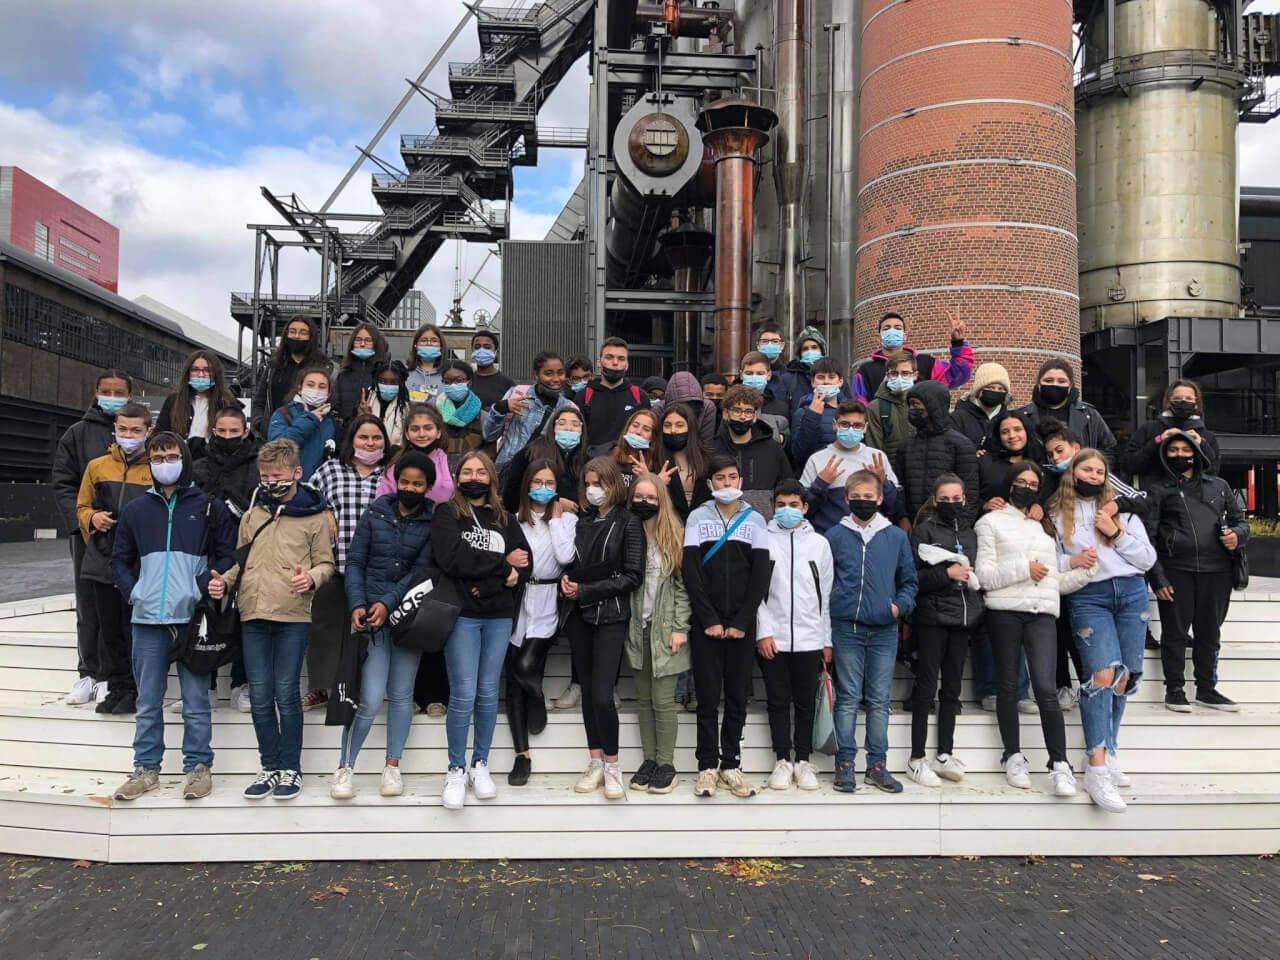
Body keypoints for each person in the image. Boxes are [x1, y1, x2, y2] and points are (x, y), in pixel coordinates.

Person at [109, 433, 236, 802]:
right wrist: (134, 591)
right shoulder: (136, 510)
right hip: (147, 619)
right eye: (158, 457)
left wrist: (201, 585)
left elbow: (227, 555)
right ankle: (146, 768)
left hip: (192, 619)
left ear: (185, 458)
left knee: (196, 702)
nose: (165, 463)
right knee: (148, 701)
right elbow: (118, 560)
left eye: (171, 455)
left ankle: (198, 767)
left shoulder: (209, 506)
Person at [210, 438, 336, 801]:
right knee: (261, 695)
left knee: (286, 693)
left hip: (293, 616)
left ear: (297, 473)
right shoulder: (252, 516)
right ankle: (269, 766)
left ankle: (291, 768)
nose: (270, 482)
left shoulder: (315, 517)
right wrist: (224, 582)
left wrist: (311, 578)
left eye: (277, 476)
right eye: (265, 476)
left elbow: (326, 563)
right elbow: (240, 561)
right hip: (252, 613)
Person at [1048, 449, 1157, 813]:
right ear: (1073, 472)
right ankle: (1096, 768)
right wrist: (1072, 560)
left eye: (1099, 471)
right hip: (1089, 595)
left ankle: (1108, 751)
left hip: (1131, 592)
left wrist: (1115, 532)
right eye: (1087, 470)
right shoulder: (1055, 512)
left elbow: (1147, 559)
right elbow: (1048, 558)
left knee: (1125, 678)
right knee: (1102, 675)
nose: (1093, 476)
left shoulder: (1122, 510)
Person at [975, 463, 1092, 798]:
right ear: (1009, 484)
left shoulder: (1044, 527)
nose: (1026, 487)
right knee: (1008, 685)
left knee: (1044, 687)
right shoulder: (990, 522)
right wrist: (1024, 568)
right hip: (1005, 612)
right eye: (1020, 481)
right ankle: (1013, 756)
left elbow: (1053, 581)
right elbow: (984, 576)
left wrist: (1085, 571)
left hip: (1042, 614)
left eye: (1032, 483)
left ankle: (1060, 764)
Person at [329, 451, 435, 800]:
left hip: (408, 618)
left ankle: (392, 766)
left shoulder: (433, 520)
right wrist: (357, 604)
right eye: (405, 481)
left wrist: (387, 603)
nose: (410, 488)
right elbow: (355, 561)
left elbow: (420, 571)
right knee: (370, 699)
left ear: (428, 487)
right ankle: (345, 767)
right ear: (395, 481)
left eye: (418, 484)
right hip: (369, 619)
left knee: (402, 695)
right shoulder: (375, 512)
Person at [432, 451, 531, 810]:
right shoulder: (447, 513)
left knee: (488, 693)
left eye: (481, 472)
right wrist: (502, 566)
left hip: (499, 616)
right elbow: (452, 558)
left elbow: (526, 563)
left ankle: (480, 764)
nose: (474, 477)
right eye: (467, 472)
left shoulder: (504, 518)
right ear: (457, 478)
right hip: (463, 615)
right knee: (463, 693)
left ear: (491, 478)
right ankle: (455, 769)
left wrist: (489, 579)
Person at [682, 455, 771, 799]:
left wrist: (742, 621)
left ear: (740, 481)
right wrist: (709, 620)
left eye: (732, 477)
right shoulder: (697, 517)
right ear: (710, 483)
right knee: (706, 699)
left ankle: (731, 764)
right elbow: (691, 571)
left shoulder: (756, 520)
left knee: (736, 698)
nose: (727, 483)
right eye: (720, 478)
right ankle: (707, 766)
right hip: (707, 626)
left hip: (740, 627)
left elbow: (760, 574)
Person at [1040, 417, 1148, 697]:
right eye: (1050, 454)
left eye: (1060, 451)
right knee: (1090, 660)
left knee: (1120, 675)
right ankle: (1065, 686)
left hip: (1125, 586)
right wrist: (1072, 562)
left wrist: (1115, 509)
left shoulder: (1108, 488)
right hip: (1079, 588)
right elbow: (1050, 553)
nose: (1056, 458)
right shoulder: (1050, 494)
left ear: (1076, 448)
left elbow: (1142, 500)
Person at [824, 470, 917, 793]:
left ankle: (877, 765)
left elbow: (909, 582)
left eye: (868, 496)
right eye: (856, 497)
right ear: (846, 498)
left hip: (884, 630)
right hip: (846, 628)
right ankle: (845, 764)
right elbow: (824, 583)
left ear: (879, 498)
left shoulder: (895, 537)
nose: (862, 501)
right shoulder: (834, 536)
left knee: (878, 700)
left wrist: (898, 607)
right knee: (848, 697)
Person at [1143, 431, 1246, 713]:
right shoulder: (1158, 490)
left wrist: (1237, 535)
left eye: (1184, 449)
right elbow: (1148, 538)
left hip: (1219, 571)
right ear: (1165, 455)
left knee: (1210, 632)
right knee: (1175, 633)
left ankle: (1207, 689)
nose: (1179, 454)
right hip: (1176, 570)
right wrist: (1158, 578)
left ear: (1197, 453)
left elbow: (1240, 522)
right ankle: (1174, 689)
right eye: (1173, 450)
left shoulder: (1220, 486)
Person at [562, 457, 645, 800]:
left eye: (599, 483)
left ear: (613, 484)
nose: (593, 489)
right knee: (586, 692)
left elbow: (633, 575)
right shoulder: (582, 522)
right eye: (588, 483)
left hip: (611, 616)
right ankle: (595, 760)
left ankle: (613, 765)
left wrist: (586, 590)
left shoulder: (629, 522)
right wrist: (569, 582)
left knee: (601, 693)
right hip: (579, 616)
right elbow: (571, 561)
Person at [55, 369, 132, 706]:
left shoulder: (138, 433)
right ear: (96, 392)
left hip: (127, 537)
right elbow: (63, 483)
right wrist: (84, 522)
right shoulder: (76, 434)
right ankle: (88, 672)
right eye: (107, 391)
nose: (112, 397)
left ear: (130, 395)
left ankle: (111, 675)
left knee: (118, 607)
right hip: (89, 536)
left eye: (119, 392)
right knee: (89, 605)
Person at [307, 414, 393, 713]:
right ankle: (321, 688)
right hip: (334, 560)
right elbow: (307, 498)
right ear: (351, 440)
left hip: (376, 566)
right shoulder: (331, 469)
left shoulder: (391, 474)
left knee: (367, 632)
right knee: (326, 627)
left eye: (376, 438)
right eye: (363, 437)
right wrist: (324, 511)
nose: (370, 443)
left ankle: (361, 690)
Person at [905, 474, 984, 788]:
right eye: (944, 499)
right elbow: (913, 578)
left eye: (956, 498)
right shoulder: (924, 530)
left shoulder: (971, 532)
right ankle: (916, 758)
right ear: (935, 500)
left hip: (963, 619)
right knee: (925, 689)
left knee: (952, 690)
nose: (951, 503)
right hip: (932, 618)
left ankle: (944, 754)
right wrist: (946, 574)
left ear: (964, 499)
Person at [75, 401, 154, 714]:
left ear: (148, 431)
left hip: (139, 564)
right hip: (102, 559)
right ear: (115, 429)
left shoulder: (156, 468)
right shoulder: (97, 466)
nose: (129, 435)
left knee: (134, 629)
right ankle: (116, 686)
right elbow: (82, 507)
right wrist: (92, 518)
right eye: (123, 429)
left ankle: (136, 688)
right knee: (109, 630)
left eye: (136, 430)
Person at [755, 480, 833, 792]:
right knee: (776, 701)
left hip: (809, 638)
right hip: (772, 638)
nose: (787, 510)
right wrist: (763, 632)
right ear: (773, 506)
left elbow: (825, 596)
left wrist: (826, 639)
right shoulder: (762, 540)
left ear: (805, 507)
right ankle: (782, 761)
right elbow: (756, 593)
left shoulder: (820, 544)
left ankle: (803, 761)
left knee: (805, 702)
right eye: (781, 505)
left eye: (794, 505)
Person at [504, 460, 578, 786]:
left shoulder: (568, 520)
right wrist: (507, 560)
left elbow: (565, 557)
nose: (543, 488)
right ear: (527, 485)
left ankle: (536, 693)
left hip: (549, 600)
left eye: (550, 483)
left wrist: (558, 518)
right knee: (513, 681)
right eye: (537, 482)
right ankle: (522, 756)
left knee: (526, 665)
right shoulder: (512, 520)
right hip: (518, 599)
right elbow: (501, 555)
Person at [187, 405, 260, 713]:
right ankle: (206, 683)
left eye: (234, 431)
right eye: (222, 431)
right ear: (213, 431)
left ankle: (241, 683)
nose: (228, 436)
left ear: (245, 432)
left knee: (243, 617)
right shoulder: (199, 466)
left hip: (245, 549)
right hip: (206, 549)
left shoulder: (257, 465)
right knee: (204, 614)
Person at [624, 475, 691, 796]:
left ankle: (666, 764)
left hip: (666, 629)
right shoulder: (627, 533)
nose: (645, 502)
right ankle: (649, 760)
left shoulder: (675, 535)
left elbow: (683, 588)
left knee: (663, 701)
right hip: (637, 628)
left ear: (661, 501)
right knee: (644, 700)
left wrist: (680, 627)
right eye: (639, 496)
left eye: (651, 497)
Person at [798, 400, 899, 533]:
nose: (851, 430)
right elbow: (802, 508)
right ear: (834, 425)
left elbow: (894, 505)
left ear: (865, 427)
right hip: (829, 536)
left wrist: (883, 482)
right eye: (845, 424)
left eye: (857, 425)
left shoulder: (877, 457)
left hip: (871, 535)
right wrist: (820, 484)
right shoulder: (817, 459)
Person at [893, 380, 980, 527]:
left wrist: (960, 528)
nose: (912, 409)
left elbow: (970, 493)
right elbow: (899, 488)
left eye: (916, 404)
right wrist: (903, 518)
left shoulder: (961, 445)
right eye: (910, 405)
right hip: (913, 526)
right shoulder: (906, 446)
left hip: (948, 528)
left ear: (932, 405)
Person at [852, 309, 974, 404]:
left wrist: (958, 343)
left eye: (897, 328)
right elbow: (860, 406)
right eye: (886, 328)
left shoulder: (926, 363)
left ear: (905, 336)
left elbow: (958, 376)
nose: (892, 331)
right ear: (878, 337)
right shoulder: (866, 371)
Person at [713, 385, 794, 519]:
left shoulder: (772, 448)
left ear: (755, 416)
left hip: (764, 523)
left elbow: (787, 487)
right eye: (737, 411)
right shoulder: (712, 449)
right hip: (721, 523)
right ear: (726, 414)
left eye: (748, 411)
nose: (743, 417)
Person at [1016, 358, 1116, 465]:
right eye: (1048, 380)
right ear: (1039, 384)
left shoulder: (1089, 414)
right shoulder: (1022, 416)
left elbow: (1109, 449)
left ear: (1070, 385)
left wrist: (1090, 469)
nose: (1055, 384)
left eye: (1061, 381)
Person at [485, 351, 575, 469]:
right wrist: (500, 409)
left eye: (560, 373)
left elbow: (571, 451)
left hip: (543, 473)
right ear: (536, 375)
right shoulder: (517, 393)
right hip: (507, 469)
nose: (556, 379)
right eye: (548, 373)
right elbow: (489, 436)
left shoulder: (569, 408)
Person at [1122, 379, 1221, 486]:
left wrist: (1202, 444)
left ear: (1196, 403)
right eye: (1177, 398)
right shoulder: (1149, 429)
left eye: (1189, 399)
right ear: (1168, 402)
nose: (1183, 402)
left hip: (1192, 494)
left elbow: (1213, 472)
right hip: (1152, 494)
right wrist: (1157, 441)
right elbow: (1129, 465)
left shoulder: (1207, 436)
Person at [501, 405, 587, 513]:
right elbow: (512, 495)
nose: (568, 428)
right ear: (553, 428)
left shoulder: (585, 460)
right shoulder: (532, 453)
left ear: (582, 430)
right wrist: (555, 502)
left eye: (575, 425)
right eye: (562, 423)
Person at [252, 318, 327, 437]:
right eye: (292, 331)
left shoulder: (323, 366)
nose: (296, 336)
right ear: (286, 334)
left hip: (310, 434)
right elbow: (259, 400)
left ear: (311, 337)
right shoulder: (274, 367)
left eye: (303, 332)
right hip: (276, 433)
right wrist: (260, 423)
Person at [581, 338, 649, 454]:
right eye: (609, 357)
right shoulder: (583, 396)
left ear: (627, 365)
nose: (615, 363)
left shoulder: (640, 397)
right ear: (599, 362)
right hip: (591, 463)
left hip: (629, 463)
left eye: (621, 359)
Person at [155, 351, 238, 447]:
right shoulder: (173, 401)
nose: (201, 375)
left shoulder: (227, 403)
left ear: (216, 373)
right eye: (195, 370)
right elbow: (159, 435)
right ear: (188, 373)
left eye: (207, 370)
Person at [267, 365, 335, 481]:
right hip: (290, 484)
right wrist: (309, 420)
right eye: (310, 385)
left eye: (322, 387)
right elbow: (277, 450)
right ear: (300, 389)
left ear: (328, 394)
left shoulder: (330, 421)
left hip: (320, 486)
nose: (316, 390)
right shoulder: (283, 414)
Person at [378, 404, 454, 506]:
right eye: (415, 429)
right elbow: (381, 506)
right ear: (407, 434)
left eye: (428, 428)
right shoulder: (396, 466)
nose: (422, 434)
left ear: (438, 432)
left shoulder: (452, 464)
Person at [978, 410, 1045, 512]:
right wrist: (984, 505)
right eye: (1005, 432)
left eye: (1017, 429)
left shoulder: (1040, 463)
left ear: (1027, 431)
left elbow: (1046, 497)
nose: (1012, 436)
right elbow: (969, 494)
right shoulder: (985, 461)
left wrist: (1039, 507)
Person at [656, 403, 711, 521]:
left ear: (690, 428)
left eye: (679, 425)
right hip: (668, 526)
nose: (673, 430)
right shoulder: (654, 460)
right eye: (667, 425)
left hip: (703, 525)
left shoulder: (708, 460)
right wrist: (656, 484)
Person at [789, 359, 850, 465]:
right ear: (813, 382)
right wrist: (812, 415)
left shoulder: (851, 411)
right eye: (821, 377)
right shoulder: (801, 413)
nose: (826, 381)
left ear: (840, 382)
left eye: (831, 377)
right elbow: (800, 454)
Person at [435, 360, 492, 471]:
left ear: (469, 383)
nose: (453, 385)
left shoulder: (483, 417)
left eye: (459, 380)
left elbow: (490, 453)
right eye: (447, 381)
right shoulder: (435, 416)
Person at [330, 322, 390, 425]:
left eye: (368, 340)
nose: (362, 344)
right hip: (347, 430)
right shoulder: (343, 374)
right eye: (358, 340)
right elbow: (336, 406)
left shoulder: (383, 374)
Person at [863, 351, 917, 464]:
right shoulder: (876, 407)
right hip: (889, 470)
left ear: (915, 375)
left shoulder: (922, 403)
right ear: (887, 375)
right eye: (894, 373)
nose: (899, 378)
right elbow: (874, 450)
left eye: (905, 373)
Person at [782, 325, 850, 412]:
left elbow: (848, 404)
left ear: (822, 350)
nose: (810, 351)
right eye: (805, 349)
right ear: (800, 353)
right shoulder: (788, 379)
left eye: (814, 347)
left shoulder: (836, 377)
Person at [951, 362, 1013, 451]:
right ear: (978, 390)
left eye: (1001, 389)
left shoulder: (1009, 419)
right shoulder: (958, 418)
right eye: (990, 387)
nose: (996, 391)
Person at [740, 351, 792, 447]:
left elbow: (789, 444)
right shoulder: (731, 404)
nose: (754, 377)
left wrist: (781, 439)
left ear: (768, 375)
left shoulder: (781, 407)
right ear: (741, 375)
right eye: (749, 373)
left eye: (760, 374)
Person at [654, 370, 718, 446]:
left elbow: (706, 443)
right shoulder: (659, 409)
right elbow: (657, 442)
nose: (673, 430)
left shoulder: (707, 408)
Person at [609, 408, 662, 487]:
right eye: (635, 425)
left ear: (653, 437)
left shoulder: (657, 463)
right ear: (627, 428)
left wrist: (647, 477)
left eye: (646, 429)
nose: (638, 432)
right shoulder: (609, 454)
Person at [468, 330, 515, 412]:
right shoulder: (466, 381)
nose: (481, 351)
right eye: (477, 347)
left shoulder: (507, 384)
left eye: (487, 347)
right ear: (472, 350)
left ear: (495, 351)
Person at [406, 322, 448, 404]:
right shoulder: (404, 373)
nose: (429, 343)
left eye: (434, 340)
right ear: (416, 345)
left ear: (441, 346)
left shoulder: (448, 374)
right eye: (423, 340)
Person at [371, 359, 410, 447]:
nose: (388, 386)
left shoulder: (406, 408)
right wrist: (362, 415)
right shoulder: (366, 402)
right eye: (382, 381)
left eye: (394, 382)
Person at [753, 321, 794, 405]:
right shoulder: (749, 372)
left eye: (774, 341)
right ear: (758, 345)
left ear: (782, 345)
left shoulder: (788, 375)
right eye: (765, 341)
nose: (769, 345)